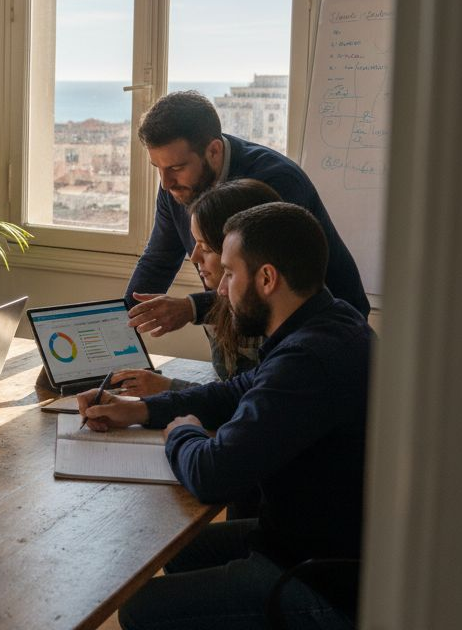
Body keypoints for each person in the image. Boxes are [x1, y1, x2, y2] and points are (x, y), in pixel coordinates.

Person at [81, 202, 373, 629]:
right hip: (315, 542)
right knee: (177, 548)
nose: (220, 289)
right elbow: (239, 390)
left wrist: (183, 434)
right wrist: (142, 409)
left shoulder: (308, 360)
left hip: (323, 582)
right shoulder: (331, 321)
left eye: (231, 274)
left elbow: (213, 474)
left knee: (142, 609)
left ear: (267, 278)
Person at [124, 90, 370, 344]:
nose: (165, 184)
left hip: (322, 335)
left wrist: (191, 308)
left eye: (176, 168)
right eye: (159, 169)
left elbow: (275, 286)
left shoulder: (276, 181)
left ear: (214, 151)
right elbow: (157, 262)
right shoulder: (177, 187)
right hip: (248, 326)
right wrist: (116, 330)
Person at [113, 179, 281, 397]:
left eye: (205, 248)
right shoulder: (232, 302)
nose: (193, 257)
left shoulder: (281, 328)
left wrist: (167, 390)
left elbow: (250, 401)